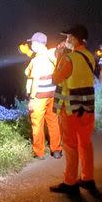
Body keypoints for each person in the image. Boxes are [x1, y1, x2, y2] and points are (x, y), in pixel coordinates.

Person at [50, 25, 96, 194]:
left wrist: (59, 57)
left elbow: (56, 78)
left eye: (68, 37)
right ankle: (87, 178)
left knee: (70, 145)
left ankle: (70, 182)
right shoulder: (90, 56)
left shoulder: (68, 58)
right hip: (88, 108)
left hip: (70, 109)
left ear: (75, 39)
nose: (66, 40)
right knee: (86, 143)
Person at [22, 32, 62, 160]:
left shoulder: (37, 61)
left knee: (37, 123)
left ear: (37, 44)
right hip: (53, 94)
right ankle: (56, 150)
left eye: (32, 43)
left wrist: (32, 99)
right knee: (53, 121)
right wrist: (29, 53)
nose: (31, 45)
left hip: (39, 96)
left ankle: (39, 152)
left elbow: (35, 80)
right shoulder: (52, 55)